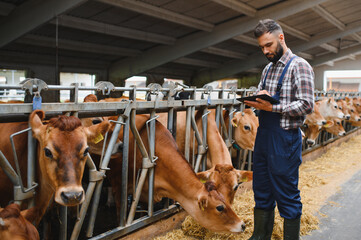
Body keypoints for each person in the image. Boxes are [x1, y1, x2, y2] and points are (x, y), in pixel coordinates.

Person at [244, 19, 314, 240]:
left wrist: (274, 107)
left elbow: (307, 104)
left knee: (286, 194)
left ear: (281, 38)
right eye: (262, 47)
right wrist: (254, 103)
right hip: (264, 136)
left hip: (285, 139)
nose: (265, 51)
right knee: (261, 190)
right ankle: (259, 236)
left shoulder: (299, 66)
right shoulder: (267, 69)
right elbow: (264, 99)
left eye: (269, 45)